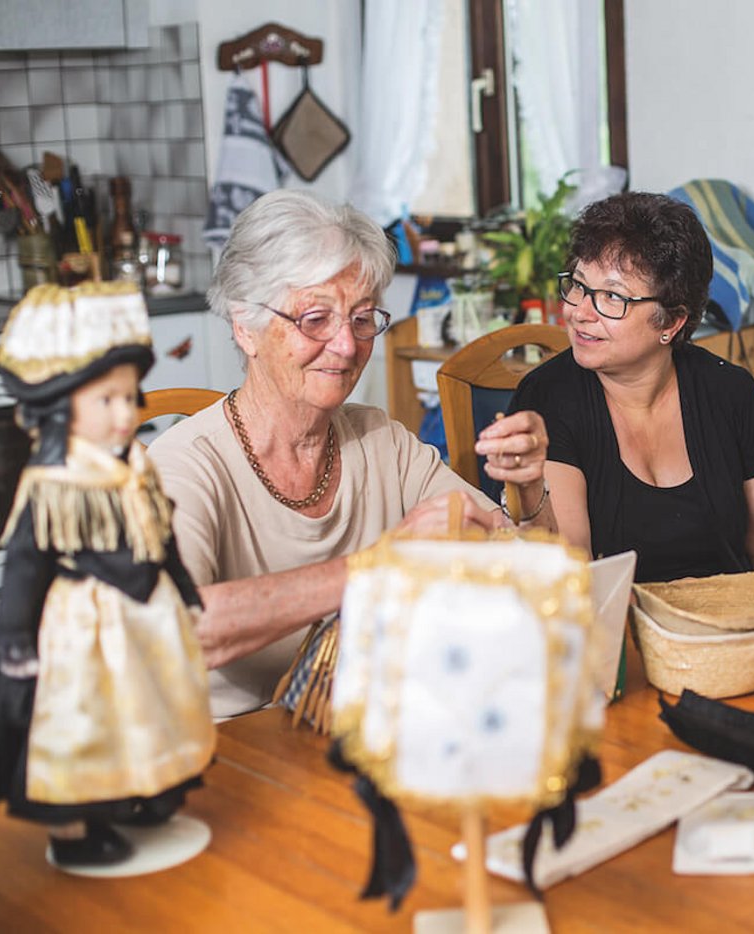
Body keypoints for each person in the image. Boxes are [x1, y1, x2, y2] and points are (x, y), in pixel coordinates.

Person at [150, 191, 553, 718]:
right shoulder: (182, 467)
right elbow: (179, 627)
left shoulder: (379, 439)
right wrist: (379, 566)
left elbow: (527, 566)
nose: (346, 345)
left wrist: (526, 491)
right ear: (244, 327)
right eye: (315, 319)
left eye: (363, 319)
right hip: (229, 756)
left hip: (362, 729)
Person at [0, 283, 215, 867]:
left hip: (146, 621)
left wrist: (184, 591)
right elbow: (25, 564)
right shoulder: (54, 484)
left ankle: (141, 792)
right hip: (83, 629)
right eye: (105, 401)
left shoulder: (136, 468)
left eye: (129, 399)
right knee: (89, 723)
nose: (123, 416)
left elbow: (158, 539)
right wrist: (12, 635)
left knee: (151, 705)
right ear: (61, 407)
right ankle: (75, 829)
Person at [509, 192, 754, 583]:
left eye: (613, 297)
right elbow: (570, 562)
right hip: (616, 628)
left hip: (731, 623)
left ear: (671, 323)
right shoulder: (547, 400)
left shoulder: (729, 392)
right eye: (579, 285)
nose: (579, 312)